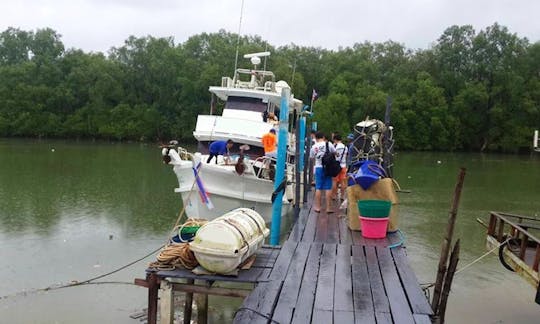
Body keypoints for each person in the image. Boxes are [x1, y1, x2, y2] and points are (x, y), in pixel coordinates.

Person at [309, 131, 336, 213]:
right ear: (323, 137)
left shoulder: (314, 147)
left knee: (318, 187)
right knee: (328, 187)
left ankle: (318, 207)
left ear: (316, 138)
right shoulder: (329, 144)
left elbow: (311, 158)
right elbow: (335, 153)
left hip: (319, 167)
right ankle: (328, 208)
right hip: (328, 167)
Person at [331, 134, 348, 201]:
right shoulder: (345, 147)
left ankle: (334, 195)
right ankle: (342, 196)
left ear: (335, 139)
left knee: (334, 181)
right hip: (343, 166)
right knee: (342, 182)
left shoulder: (335, 147)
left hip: (336, 166)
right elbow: (346, 156)